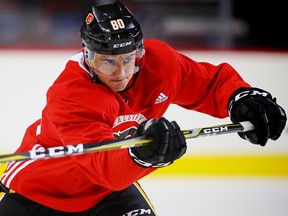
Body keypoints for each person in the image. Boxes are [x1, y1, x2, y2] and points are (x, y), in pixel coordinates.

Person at [0, 1, 286, 215]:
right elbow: (104, 167)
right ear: (87, 56)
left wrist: (240, 97)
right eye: (107, 61)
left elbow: (208, 85)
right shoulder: (71, 95)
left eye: (129, 58)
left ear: (140, 51)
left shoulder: (160, 64)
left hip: (107, 195)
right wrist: (144, 157)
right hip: (40, 194)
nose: (121, 73)